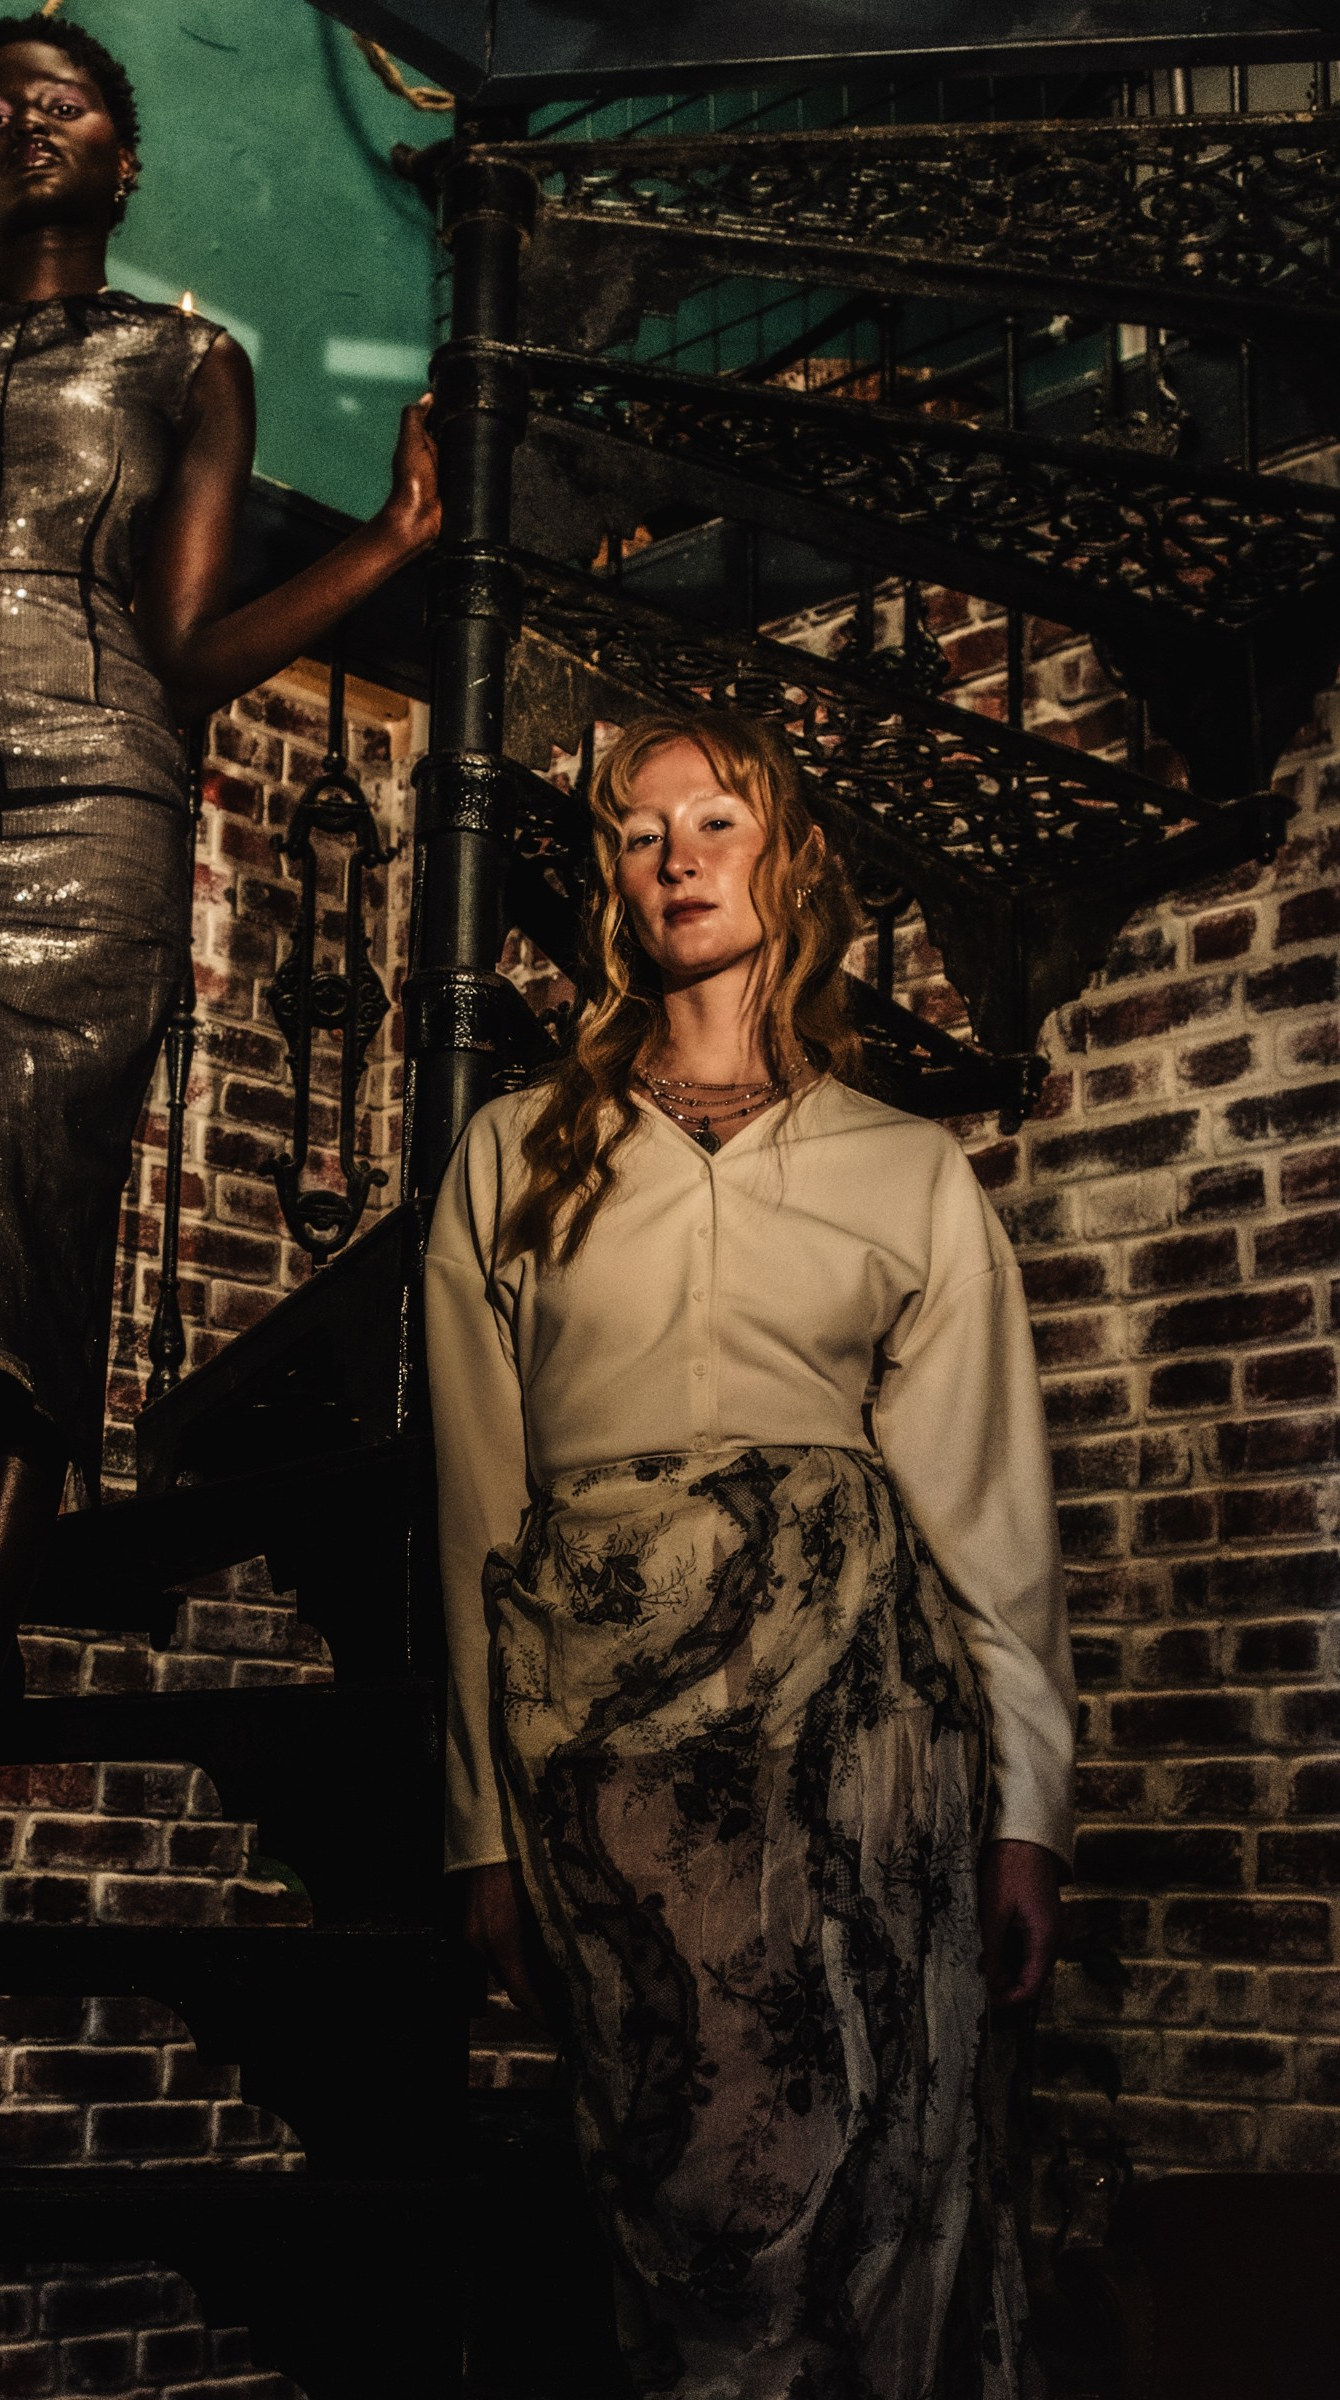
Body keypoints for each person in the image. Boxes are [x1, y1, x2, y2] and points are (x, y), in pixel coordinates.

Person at [0, 13, 438, 1919]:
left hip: (92, 803)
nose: (14, 110)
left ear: (122, 158)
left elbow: (187, 653)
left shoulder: (185, 362)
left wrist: (389, 544)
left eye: (60, 96)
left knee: (14, 1254)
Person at [426, 710, 1076, 2397]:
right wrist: (481, 1824)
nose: (679, 856)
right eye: (641, 834)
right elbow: (476, 1515)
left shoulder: (907, 1164)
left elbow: (991, 1523)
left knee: (885, 2154)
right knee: (684, 2177)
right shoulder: (511, 1150)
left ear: (784, 860)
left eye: (716, 819)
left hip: (861, 1739)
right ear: (616, 886)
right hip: (608, 1755)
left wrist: (1026, 1807)